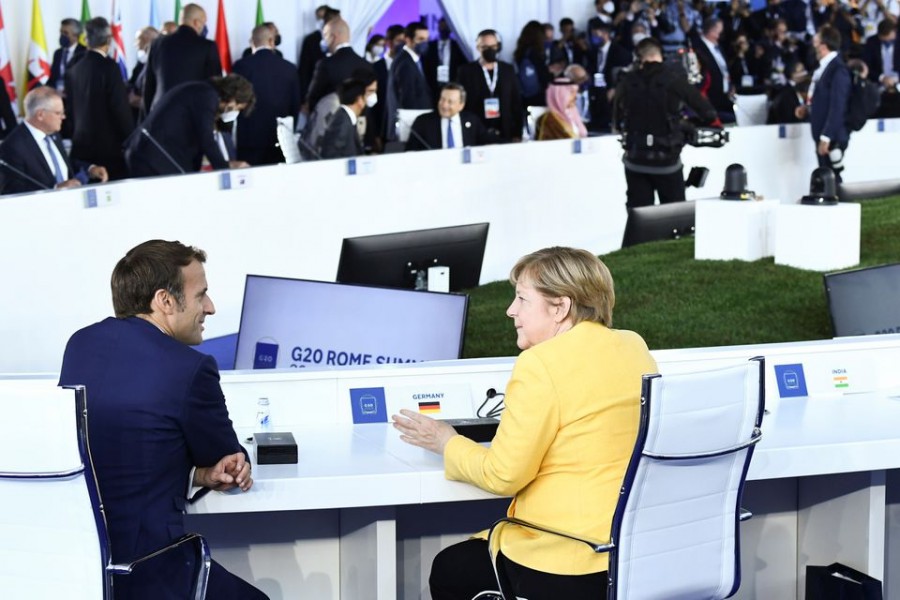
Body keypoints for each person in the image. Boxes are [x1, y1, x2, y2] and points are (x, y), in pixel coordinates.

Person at [392, 246, 657, 600]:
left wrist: (446, 441)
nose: (510, 311)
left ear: (560, 307)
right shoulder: (632, 345)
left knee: (450, 569)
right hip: (630, 555)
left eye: (521, 299)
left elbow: (503, 475)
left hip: (565, 563)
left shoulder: (540, 364)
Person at [58, 240, 268, 600]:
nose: (211, 307)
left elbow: (118, 450)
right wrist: (222, 466)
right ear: (165, 301)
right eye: (201, 294)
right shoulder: (189, 368)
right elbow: (226, 460)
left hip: (81, 571)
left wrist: (195, 474)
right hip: (152, 571)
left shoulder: (79, 344)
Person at [613, 37, 717, 209]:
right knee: (673, 217)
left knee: (638, 216)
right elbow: (709, 114)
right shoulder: (674, 80)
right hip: (667, 161)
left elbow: (617, 121)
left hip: (635, 159)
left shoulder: (626, 81)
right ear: (659, 55)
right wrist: (685, 123)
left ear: (639, 57)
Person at [124, 74, 254, 177]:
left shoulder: (202, 91)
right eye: (237, 108)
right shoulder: (207, 96)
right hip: (151, 158)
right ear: (232, 98)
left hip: (149, 155)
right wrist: (226, 168)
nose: (234, 112)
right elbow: (206, 139)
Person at [0, 87, 108, 195]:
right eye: (58, 113)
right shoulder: (12, 147)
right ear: (40, 115)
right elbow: (13, 192)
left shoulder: (52, 133)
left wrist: (89, 169)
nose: (63, 117)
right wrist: (54, 189)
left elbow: (63, 164)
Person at [65, 17, 135, 181]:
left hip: (81, 147)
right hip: (109, 150)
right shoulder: (109, 67)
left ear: (87, 39)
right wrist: (131, 139)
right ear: (109, 40)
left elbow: (70, 108)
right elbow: (120, 109)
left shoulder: (74, 68)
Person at [232, 24, 301, 165]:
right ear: (272, 41)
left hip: (249, 139)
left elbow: (234, 102)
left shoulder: (240, 66)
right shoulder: (290, 68)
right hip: (280, 138)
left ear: (252, 42)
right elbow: (295, 105)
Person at [142, 3, 221, 114]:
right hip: (192, 115)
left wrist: (148, 118)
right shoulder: (207, 46)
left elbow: (148, 86)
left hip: (160, 113)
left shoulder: (158, 44)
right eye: (203, 23)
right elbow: (214, 85)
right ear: (196, 23)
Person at [796, 25, 851, 182]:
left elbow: (838, 106)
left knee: (831, 177)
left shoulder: (838, 69)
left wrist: (826, 136)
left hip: (831, 135)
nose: (813, 46)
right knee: (826, 175)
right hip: (823, 132)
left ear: (823, 46)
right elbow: (823, 99)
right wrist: (807, 109)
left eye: (816, 42)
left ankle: (841, 205)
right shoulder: (824, 67)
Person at [457, 29, 525, 142]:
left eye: (493, 46)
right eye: (485, 47)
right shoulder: (465, 71)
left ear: (498, 47)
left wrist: (517, 132)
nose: (490, 50)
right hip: (476, 130)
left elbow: (516, 102)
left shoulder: (508, 70)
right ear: (478, 48)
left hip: (505, 130)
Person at [306, 18, 373, 111]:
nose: (323, 40)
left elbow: (313, 99)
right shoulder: (367, 65)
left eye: (325, 35)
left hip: (330, 122)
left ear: (333, 37)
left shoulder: (325, 64)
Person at [406, 82, 496, 150]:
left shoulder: (472, 120)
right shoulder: (423, 122)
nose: (444, 105)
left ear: (461, 105)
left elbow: (488, 142)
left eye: (450, 102)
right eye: (442, 99)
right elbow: (410, 151)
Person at [692, 17, 737, 123]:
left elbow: (724, 69)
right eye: (720, 30)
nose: (722, 33)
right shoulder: (698, 47)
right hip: (710, 100)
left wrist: (729, 85)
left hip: (725, 98)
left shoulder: (718, 47)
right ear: (712, 30)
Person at [319, 77, 376, 159]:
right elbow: (330, 155)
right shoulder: (341, 122)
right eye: (365, 96)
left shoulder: (346, 118)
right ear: (360, 99)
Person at [297, 5, 340, 106]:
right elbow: (304, 71)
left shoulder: (340, 39)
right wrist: (304, 100)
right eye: (319, 18)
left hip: (336, 95)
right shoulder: (311, 40)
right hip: (315, 95)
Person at [391, 21, 434, 110]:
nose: (425, 43)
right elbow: (407, 98)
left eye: (427, 39)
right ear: (408, 40)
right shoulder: (405, 63)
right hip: (412, 117)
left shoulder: (417, 60)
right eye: (421, 39)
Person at [422, 17, 468, 99]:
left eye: (446, 27)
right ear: (438, 27)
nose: (443, 29)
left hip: (453, 85)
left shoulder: (458, 46)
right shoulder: (430, 46)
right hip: (433, 87)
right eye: (441, 26)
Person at [514, 21, 553, 106]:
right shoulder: (535, 53)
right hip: (538, 96)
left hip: (525, 94)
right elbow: (543, 76)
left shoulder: (520, 51)